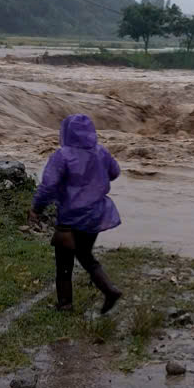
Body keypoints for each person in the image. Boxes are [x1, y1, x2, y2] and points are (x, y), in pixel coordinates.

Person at [32, 114, 123, 314]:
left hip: (70, 216)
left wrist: (36, 208)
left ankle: (66, 304)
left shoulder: (62, 155)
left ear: (65, 132)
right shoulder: (101, 152)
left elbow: (48, 186)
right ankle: (108, 290)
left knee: (64, 261)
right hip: (96, 214)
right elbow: (115, 172)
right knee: (85, 254)